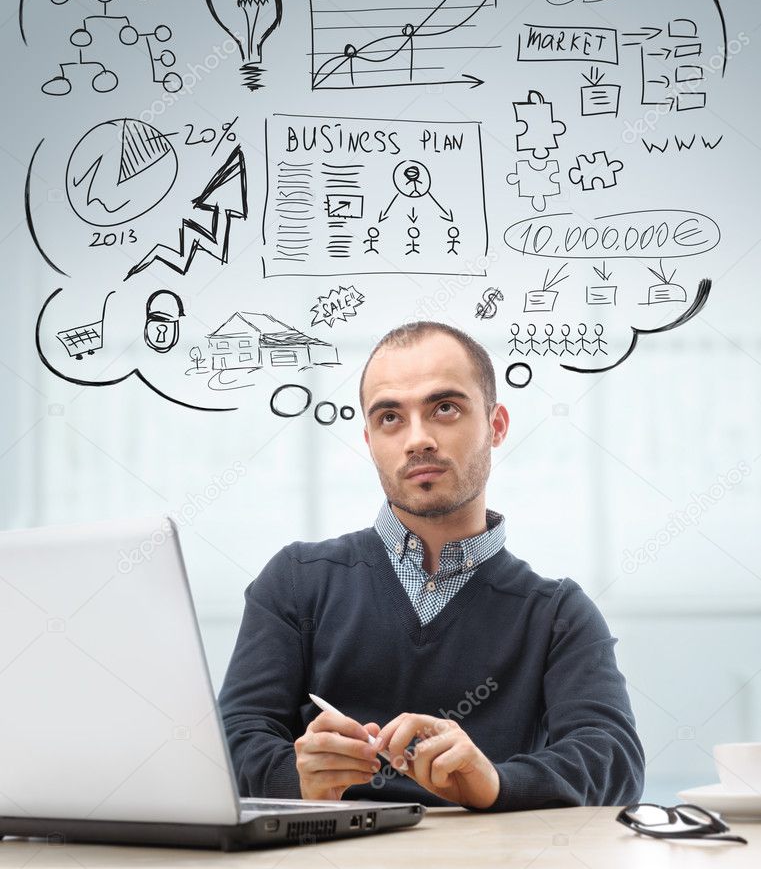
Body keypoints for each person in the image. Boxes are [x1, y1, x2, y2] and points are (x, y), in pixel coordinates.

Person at [219, 321, 646, 811]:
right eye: (390, 418)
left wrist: (494, 782)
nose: (417, 439)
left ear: (497, 425)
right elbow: (231, 744)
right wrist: (297, 777)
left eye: (445, 408)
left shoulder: (557, 613)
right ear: (369, 439)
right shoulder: (296, 581)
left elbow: (614, 762)